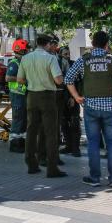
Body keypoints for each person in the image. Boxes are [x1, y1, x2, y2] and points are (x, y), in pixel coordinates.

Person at [65, 31, 112, 187]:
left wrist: (76, 96)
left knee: (93, 143)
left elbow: (68, 79)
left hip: (90, 107)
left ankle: (95, 178)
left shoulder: (84, 60)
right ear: (107, 44)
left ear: (92, 44)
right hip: (111, 108)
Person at [16, 34, 67, 178]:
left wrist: (32, 80)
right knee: (51, 132)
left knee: (31, 130)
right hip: (47, 97)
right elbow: (58, 80)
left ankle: (31, 164)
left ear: (36, 43)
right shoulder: (50, 58)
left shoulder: (26, 58)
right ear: (47, 44)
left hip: (31, 96)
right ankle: (52, 168)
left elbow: (20, 79)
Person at [41, 36, 66, 167]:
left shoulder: (60, 59)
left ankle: (54, 156)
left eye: (56, 44)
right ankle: (43, 156)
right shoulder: (42, 58)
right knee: (45, 127)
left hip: (59, 95)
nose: (54, 46)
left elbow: (66, 76)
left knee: (56, 128)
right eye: (52, 44)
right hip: (46, 94)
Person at [5, 38, 29, 153]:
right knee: (18, 120)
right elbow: (8, 78)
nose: (28, 52)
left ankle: (21, 143)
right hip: (17, 95)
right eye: (26, 50)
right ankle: (14, 144)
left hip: (23, 95)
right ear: (21, 50)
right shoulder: (14, 63)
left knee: (23, 120)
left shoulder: (22, 62)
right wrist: (22, 80)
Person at [58, 46, 82, 157]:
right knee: (63, 122)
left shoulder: (74, 64)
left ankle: (76, 148)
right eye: (65, 54)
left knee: (74, 122)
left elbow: (78, 83)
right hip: (61, 98)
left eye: (68, 54)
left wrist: (74, 97)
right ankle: (68, 146)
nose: (67, 56)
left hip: (73, 97)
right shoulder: (57, 65)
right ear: (60, 55)